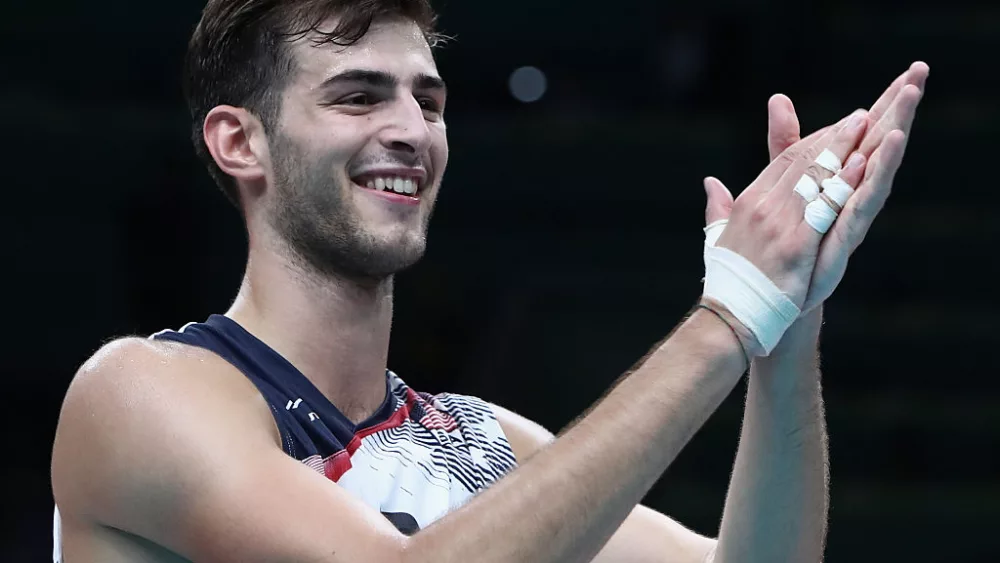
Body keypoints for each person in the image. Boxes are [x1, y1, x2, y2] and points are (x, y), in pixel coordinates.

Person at [49, 0, 928, 561]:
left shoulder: (484, 443)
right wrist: (728, 313)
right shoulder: (139, 393)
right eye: (357, 97)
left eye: (427, 102)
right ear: (239, 142)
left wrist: (786, 324)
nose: (410, 130)